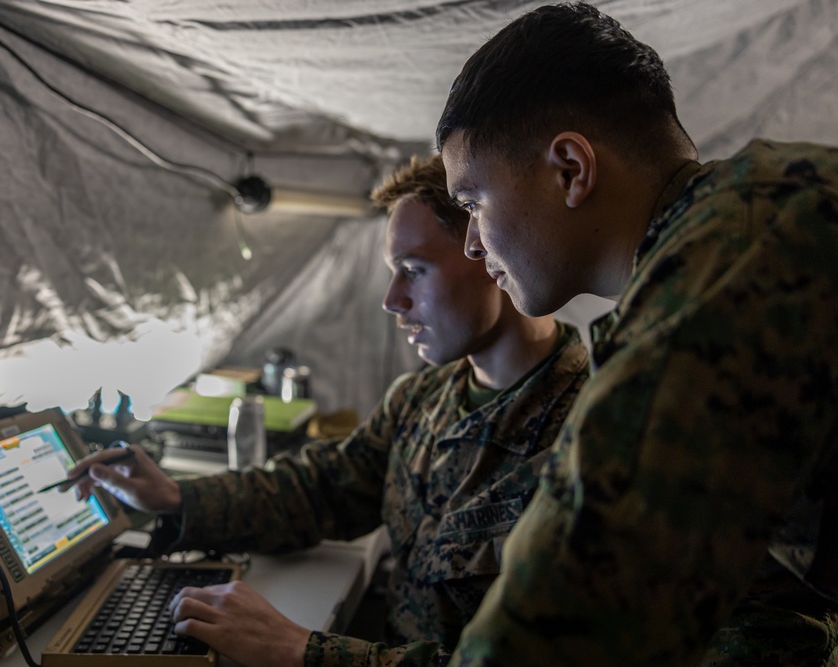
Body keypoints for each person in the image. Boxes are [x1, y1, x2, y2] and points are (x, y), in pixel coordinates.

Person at [68, 153, 590, 667]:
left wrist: (304, 651)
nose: (391, 299)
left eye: (414, 269)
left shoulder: (591, 435)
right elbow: (321, 489)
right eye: (393, 272)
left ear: (489, 252)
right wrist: (177, 497)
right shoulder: (419, 400)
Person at [435, 3, 838, 666]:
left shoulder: (736, 250)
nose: (473, 243)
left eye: (474, 201)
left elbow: (575, 609)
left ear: (570, 168)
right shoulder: (729, 233)